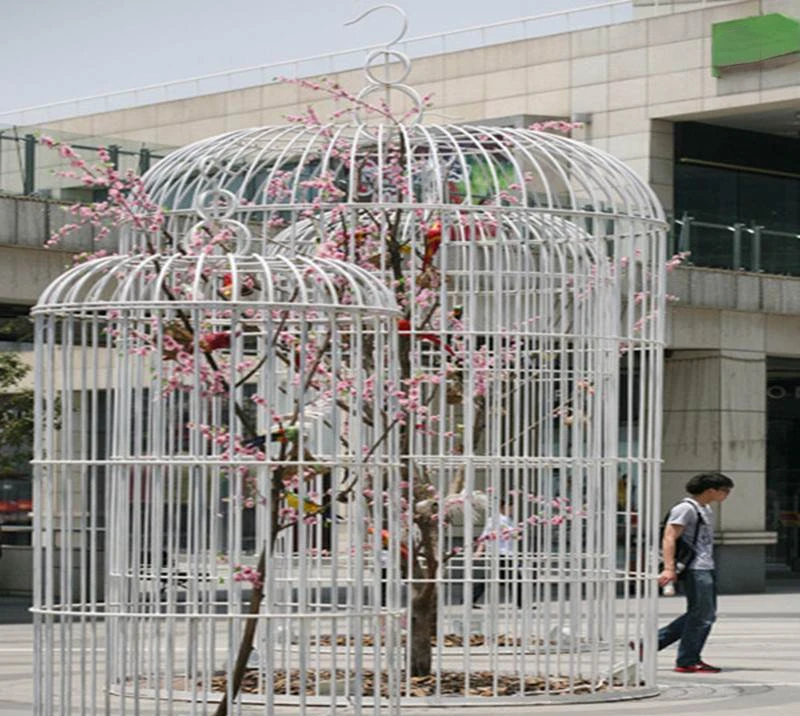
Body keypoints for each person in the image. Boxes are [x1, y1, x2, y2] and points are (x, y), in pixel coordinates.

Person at [657, 472, 734, 673]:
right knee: (703, 615)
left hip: (705, 565)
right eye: (725, 491)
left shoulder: (705, 509)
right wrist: (668, 567)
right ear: (711, 490)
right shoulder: (685, 508)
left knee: (701, 613)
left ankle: (650, 644)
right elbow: (669, 536)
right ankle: (687, 660)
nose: (726, 495)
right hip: (694, 568)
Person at [471, 499, 522, 608]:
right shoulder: (494, 520)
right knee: (516, 578)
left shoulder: (510, 520)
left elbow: (514, 536)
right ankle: (521, 603)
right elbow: (485, 535)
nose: (511, 509)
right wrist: (479, 550)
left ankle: (469, 599)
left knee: (489, 578)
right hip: (499, 553)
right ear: (501, 507)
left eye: (512, 507)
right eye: (509, 506)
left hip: (508, 553)